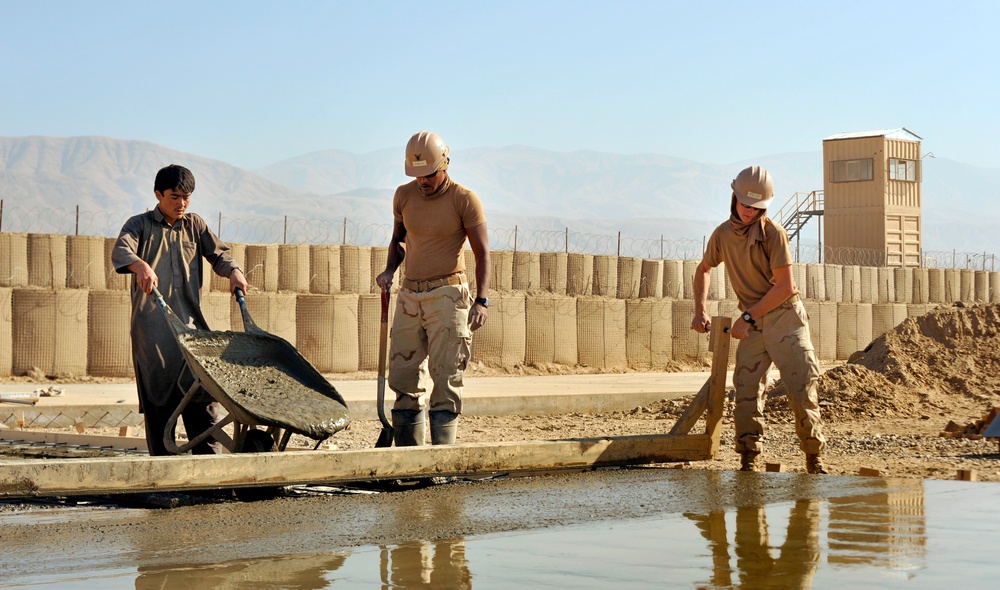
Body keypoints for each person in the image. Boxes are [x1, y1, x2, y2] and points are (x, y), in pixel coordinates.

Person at [690, 165, 827, 474]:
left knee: (801, 389)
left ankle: (813, 460)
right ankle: (749, 460)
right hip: (753, 324)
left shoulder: (773, 234)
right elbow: (703, 270)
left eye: (757, 207)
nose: (750, 212)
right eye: (745, 204)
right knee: (746, 392)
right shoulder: (723, 234)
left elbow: (785, 287)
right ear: (734, 198)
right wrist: (700, 309)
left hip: (785, 320)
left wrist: (748, 316)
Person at [113, 164, 248, 456]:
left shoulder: (194, 225)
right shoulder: (140, 225)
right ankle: (164, 473)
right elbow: (122, 251)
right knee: (160, 399)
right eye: (175, 196)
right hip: (153, 332)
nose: (182, 203)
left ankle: (210, 472)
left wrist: (233, 271)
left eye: (187, 197)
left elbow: (219, 254)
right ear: (158, 194)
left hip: (191, 328)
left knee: (201, 394)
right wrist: (140, 265)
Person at [375, 131, 491, 446]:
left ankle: (440, 464)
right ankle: (410, 462)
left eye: (429, 174)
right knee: (404, 377)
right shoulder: (403, 195)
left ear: (444, 165)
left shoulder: (464, 200)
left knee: (446, 378)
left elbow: (482, 254)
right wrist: (389, 271)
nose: (423, 181)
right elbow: (399, 240)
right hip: (410, 296)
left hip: (448, 296)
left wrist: (481, 301)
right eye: (417, 175)